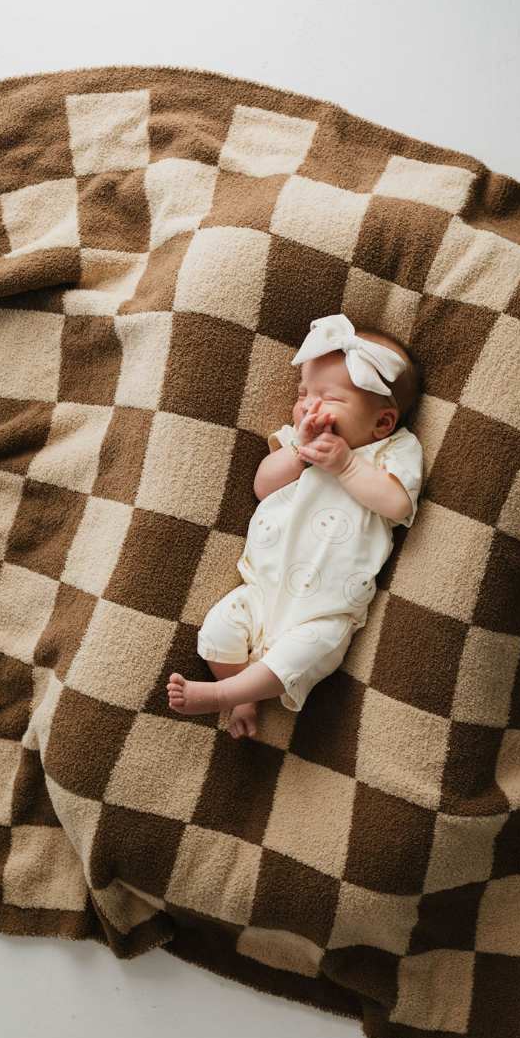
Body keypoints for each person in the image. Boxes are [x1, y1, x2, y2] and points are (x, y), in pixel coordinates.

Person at [167, 313, 424, 739]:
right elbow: (263, 486)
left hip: (326, 610)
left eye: (329, 398)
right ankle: (242, 695)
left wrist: (345, 465)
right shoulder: (297, 442)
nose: (309, 406)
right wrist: (298, 453)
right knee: (218, 629)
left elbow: (397, 504)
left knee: (296, 657)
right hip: (261, 588)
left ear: (381, 422)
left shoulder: (391, 450)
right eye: (304, 393)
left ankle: (221, 695)